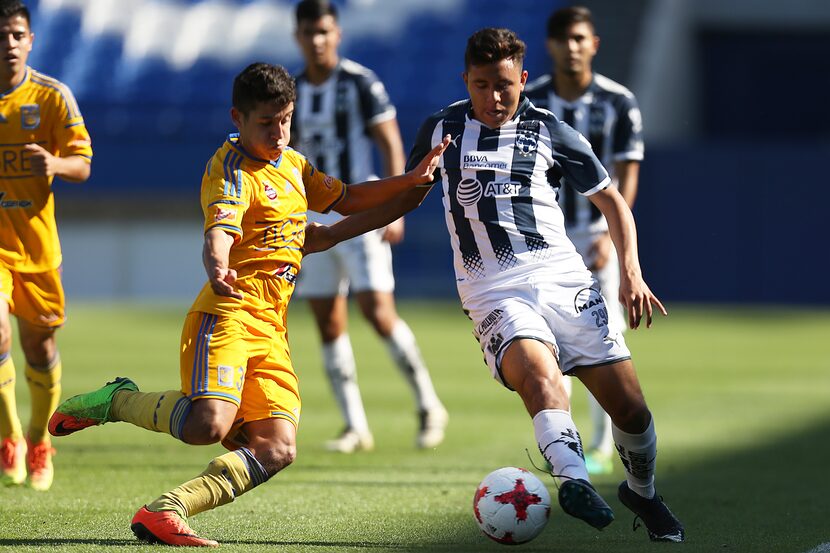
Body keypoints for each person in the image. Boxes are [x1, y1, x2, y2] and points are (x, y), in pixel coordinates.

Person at [305, 28, 684, 543]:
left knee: (632, 412)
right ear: (466, 80)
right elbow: (403, 196)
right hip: (492, 290)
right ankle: (573, 481)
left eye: (504, 85)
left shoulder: (551, 130)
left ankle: (642, 490)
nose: (494, 97)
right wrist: (331, 234)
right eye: (482, 85)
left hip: (563, 279)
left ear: (523, 79)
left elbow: (613, 202)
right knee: (537, 374)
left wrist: (632, 273)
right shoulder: (443, 128)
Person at [47, 62, 449, 547]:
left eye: (286, 120)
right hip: (227, 314)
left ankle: (166, 511)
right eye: (266, 123)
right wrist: (217, 264)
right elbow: (220, 230)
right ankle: (117, 401)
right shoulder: (232, 170)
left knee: (278, 447)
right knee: (206, 424)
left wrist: (411, 184)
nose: (279, 133)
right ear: (238, 117)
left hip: (271, 330)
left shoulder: (295, 166)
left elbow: (346, 204)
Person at [290, 0, 447, 453]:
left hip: (360, 212)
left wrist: (396, 204)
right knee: (326, 320)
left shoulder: (360, 83)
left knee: (378, 313)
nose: (317, 40)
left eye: (324, 30)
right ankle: (355, 425)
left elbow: (389, 140)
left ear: (336, 32)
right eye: (308, 32)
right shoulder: (293, 89)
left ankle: (428, 404)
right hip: (311, 216)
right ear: (298, 36)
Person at [524, 5, 645, 476]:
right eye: (563, 39)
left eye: (580, 38)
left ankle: (599, 445)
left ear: (593, 44)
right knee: (548, 338)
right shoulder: (530, 101)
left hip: (596, 236)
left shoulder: (619, 102)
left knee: (603, 333)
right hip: (543, 238)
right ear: (551, 46)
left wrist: (610, 238)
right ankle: (568, 444)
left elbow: (625, 177)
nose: (571, 47)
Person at [0, 0, 92, 492]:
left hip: (37, 250)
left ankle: (39, 438)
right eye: (1, 35)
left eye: (17, 35)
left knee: (41, 346)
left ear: (30, 40)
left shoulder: (52, 97)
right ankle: (9, 436)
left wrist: (55, 166)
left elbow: (83, 164)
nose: (9, 44)